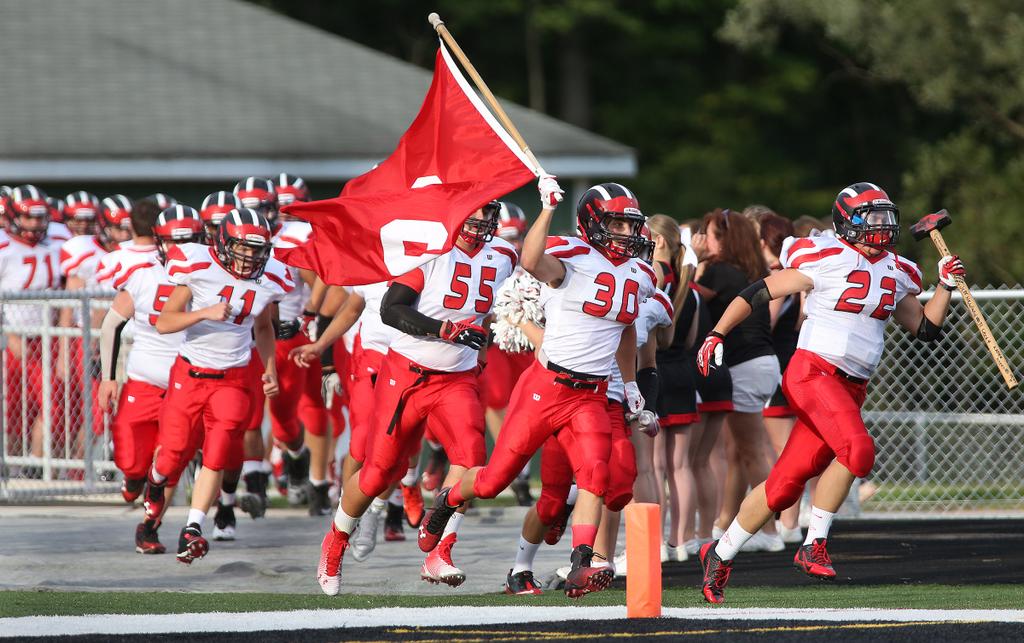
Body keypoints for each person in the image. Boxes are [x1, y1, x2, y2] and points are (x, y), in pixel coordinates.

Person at [696, 182, 965, 603]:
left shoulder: (897, 270)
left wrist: (945, 285)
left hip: (851, 387)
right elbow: (757, 293)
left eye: (885, 217)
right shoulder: (823, 256)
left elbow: (926, 329)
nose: (882, 226)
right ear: (847, 222)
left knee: (784, 485)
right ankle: (813, 543)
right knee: (858, 450)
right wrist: (716, 334)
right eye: (872, 217)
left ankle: (719, 553)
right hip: (812, 372)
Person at [414, 179, 655, 599]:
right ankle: (448, 499)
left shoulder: (641, 273)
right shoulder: (574, 256)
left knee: (596, 475)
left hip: (592, 394)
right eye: (617, 225)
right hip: (546, 387)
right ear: (594, 224)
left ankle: (583, 561)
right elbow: (529, 258)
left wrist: (631, 383)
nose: (627, 234)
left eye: (630, 226)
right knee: (492, 482)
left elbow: (627, 326)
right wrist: (546, 209)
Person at [316, 202, 517, 595]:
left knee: (472, 461)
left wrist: (484, 341)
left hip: (456, 379)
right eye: (471, 214)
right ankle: (335, 541)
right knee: (377, 472)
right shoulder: (430, 251)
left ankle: (441, 549)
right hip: (406, 374)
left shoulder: (505, 257)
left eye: (486, 215)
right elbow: (392, 309)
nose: (478, 223)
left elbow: (492, 309)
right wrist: (445, 329)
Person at [144, 207, 291, 563]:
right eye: (242, 248)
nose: (249, 257)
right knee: (174, 454)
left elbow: (263, 327)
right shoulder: (196, 264)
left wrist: (269, 367)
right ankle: (155, 482)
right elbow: (164, 322)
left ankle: (192, 528)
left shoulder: (271, 276)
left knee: (219, 451)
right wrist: (203, 313)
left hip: (235, 376)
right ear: (223, 242)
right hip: (191, 374)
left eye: (257, 250)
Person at [96, 202, 203, 553]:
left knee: (170, 461)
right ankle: (133, 478)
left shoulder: (211, 276)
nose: (184, 249)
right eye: (176, 241)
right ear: (159, 241)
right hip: (143, 380)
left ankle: (149, 527)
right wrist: (109, 377)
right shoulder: (143, 276)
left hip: (185, 384)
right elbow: (111, 324)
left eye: (190, 240)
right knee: (133, 462)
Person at [692, 208, 782, 552]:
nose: (705, 240)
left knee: (751, 452)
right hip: (761, 364)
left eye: (712, 234)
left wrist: (694, 263)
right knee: (737, 453)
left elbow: (687, 299)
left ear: (728, 239)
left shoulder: (721, 272)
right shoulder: (748, 270)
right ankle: (728, 522)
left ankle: (770, 529)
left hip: (746, 366)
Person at [0, 186, 61, 464]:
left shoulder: (56, 242)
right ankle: (10, 465)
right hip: (9, 338)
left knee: (52, 404)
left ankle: (35, 466)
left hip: (46, 338)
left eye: (39, 218)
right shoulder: (4, 245)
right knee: (10, 409)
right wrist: (9, 334)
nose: (35, 224)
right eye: (29, 218)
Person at [756, 212, 804, 542]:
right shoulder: (799, 272)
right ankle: (790, 522)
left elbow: (766, 323)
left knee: (781, 449)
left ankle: (786, 524)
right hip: (794, 359)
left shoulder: (779, 275)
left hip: (777, 363)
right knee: (790, 448)